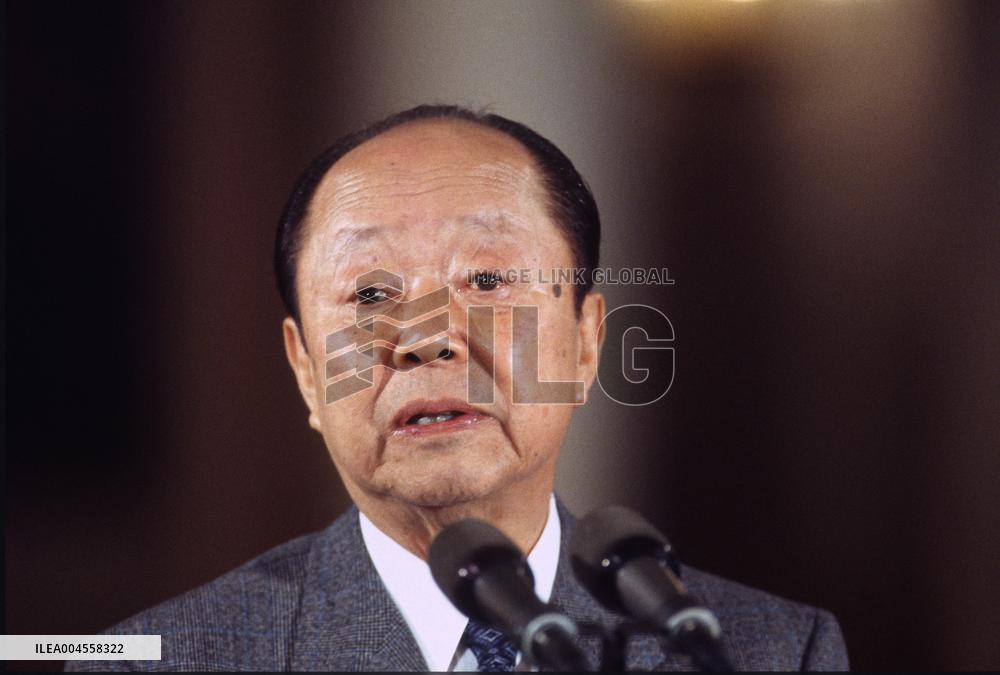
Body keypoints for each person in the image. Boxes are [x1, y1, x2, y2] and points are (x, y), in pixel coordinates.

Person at [67, 105, 849, 672]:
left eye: (486, 279)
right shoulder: (160, 659)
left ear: (583, 343)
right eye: (369, 296)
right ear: (306, 370)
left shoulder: (767, 649)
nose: (426, 336)